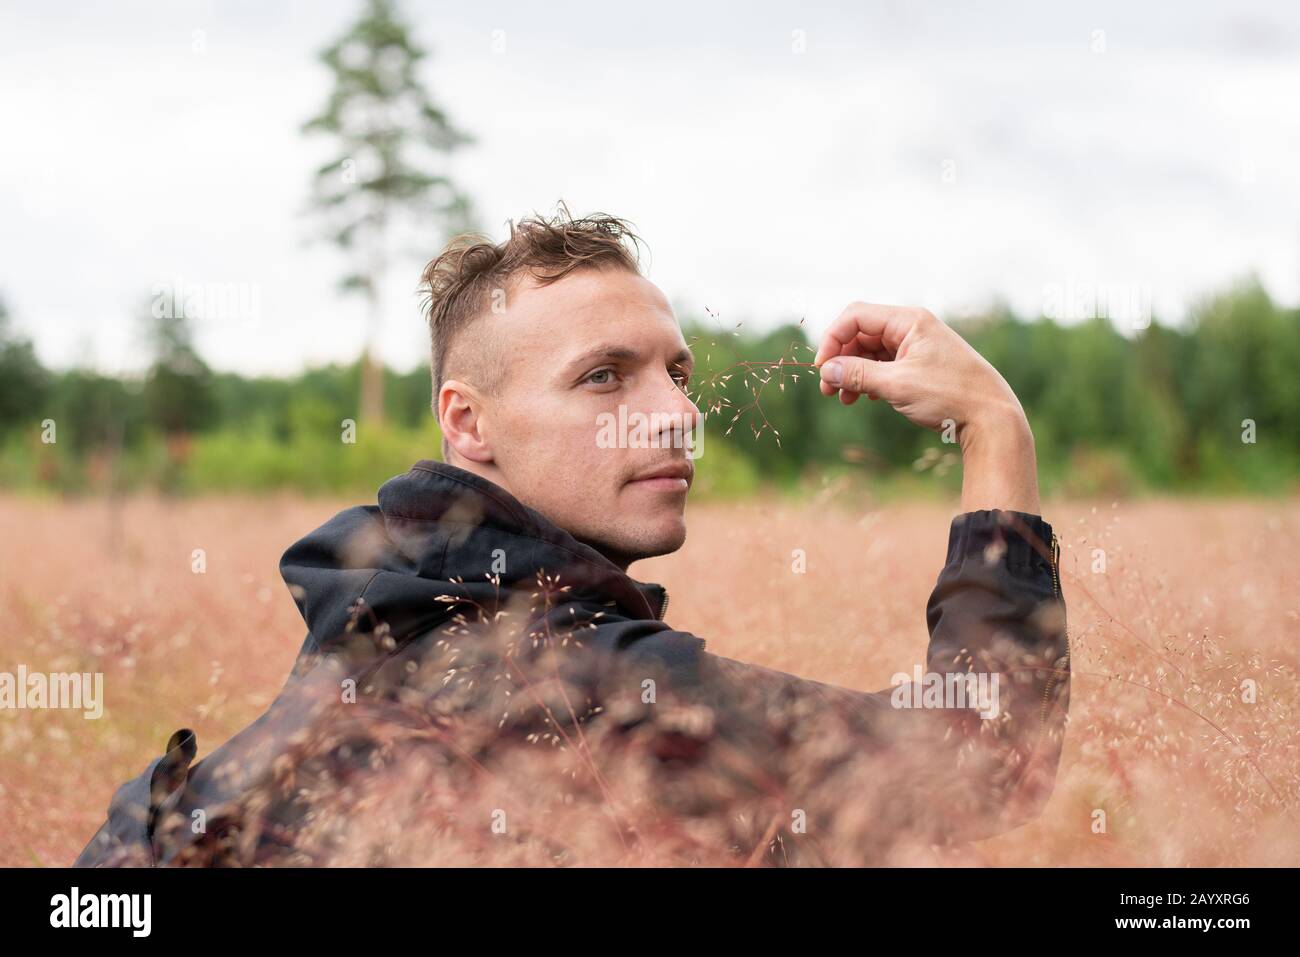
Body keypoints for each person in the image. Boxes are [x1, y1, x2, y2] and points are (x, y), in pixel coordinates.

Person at [75, 207, 1069, 867]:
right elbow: (975, 765)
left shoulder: (389, 618)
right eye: (604, 376)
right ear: (469, 424)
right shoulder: (567, 678)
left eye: (675, 373)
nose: (673, 413)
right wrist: (993, 430)